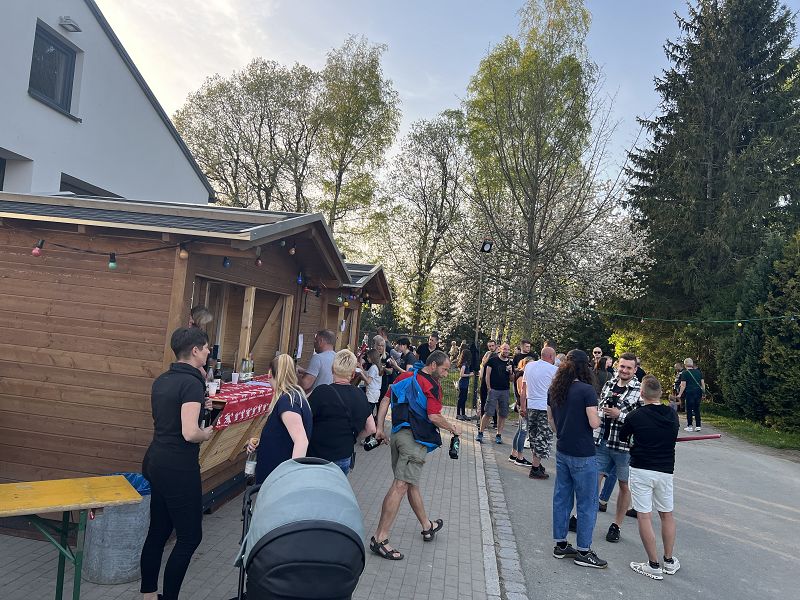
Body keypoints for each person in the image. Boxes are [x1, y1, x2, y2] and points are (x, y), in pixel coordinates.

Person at [140, 327, 215, 600]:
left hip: (155, 460)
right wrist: (205, 433)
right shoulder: (191, 384)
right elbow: (189, 432)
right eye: (205, 347)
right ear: (195, 350)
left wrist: (200, 403)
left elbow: (170, 417)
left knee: (158, 531)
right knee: (190, 537)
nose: (209, 351)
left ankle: (149, 595)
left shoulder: (162, 380)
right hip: (178, 466)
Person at [370, 351, 459, 560]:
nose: (446, 374)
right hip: (414, 441)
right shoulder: (431, 386)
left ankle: (427, 526)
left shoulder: (405, 376)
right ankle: (380, 538)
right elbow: (434, 416)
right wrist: (453, 428)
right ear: (433, 365)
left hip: (397, 436)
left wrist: (380, 428)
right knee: (400, 485)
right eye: (444, 369)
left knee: (410, 483)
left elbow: (385, 400)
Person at [548, 349, 606, 568]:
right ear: (585, 367)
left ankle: (561, 544)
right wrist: (601, 416)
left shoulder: (555, 388)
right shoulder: (586, 390)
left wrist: (562, 432)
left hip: (563, 449)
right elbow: (593, 422)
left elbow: (551, 420)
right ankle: (584, 550)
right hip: (583, 452)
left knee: (562, 498)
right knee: (587, 502)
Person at [620, 375, 680, 580]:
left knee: (644, 515)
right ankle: (669, 561)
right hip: (665, 470)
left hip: (641, 469)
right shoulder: (672, 415)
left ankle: (654, 564)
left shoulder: (635, 416)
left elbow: (623, 437)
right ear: (660, 393)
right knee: (667, 514)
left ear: (642, 394)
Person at [594, 352, 643, 544]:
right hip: (602, 441)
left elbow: (641, 420)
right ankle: (585, 516)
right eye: (622, 366)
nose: (624, 370)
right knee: (594, 480)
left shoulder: (639, 390)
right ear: (617, 366)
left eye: (629, 368)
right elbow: (599, 406)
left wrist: (619, 415)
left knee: (624, 485)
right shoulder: (609, 384)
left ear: (635, 370)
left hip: (624, 447)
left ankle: (616, 525)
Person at [307, 350, 376, 475]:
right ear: (353, 374)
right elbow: (371, 428)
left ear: (332, 369)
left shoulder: (321, 392)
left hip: (317, 456)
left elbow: (303, 420)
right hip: (344, 457)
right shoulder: (360, 395)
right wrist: (353, 437)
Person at [251, 354, 312, 484]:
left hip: (279, 480)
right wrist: (261, 443)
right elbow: (283, 436)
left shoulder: (288, 401)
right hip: (275, 477)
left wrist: (291, 477)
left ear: (270, 374)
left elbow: (301, 440)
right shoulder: (294, 397)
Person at [520, 346, 558, 478]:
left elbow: (523, 388)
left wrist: (523, 406)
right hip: (544, 407)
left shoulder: (529, 366)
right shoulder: (554, 370)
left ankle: (536, 463)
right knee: (543, 437)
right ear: (551, 357)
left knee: (533, 435)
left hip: (531, 404)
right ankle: (535, 468)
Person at [476, 342, 513, 444]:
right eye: (504, 349)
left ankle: (498, 434)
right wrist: (489, 388)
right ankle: (480, 432)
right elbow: (487, 375)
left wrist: (511, 371)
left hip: (505, 390)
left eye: (508, 349)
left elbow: (512, 379)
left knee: (503, 414)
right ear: (500, 349)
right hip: (494, 390)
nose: (506, 351)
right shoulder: (493, 360)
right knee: (488, 412)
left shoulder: (510, 363)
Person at [510, 356, 535, 466]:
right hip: (523, 405)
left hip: (523, 404)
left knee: (520, 430)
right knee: (523, 431)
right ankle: (520, 457)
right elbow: (521, 392)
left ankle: (514, 453)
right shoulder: (521, 375)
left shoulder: (524, 374)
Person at [678, 357, 705, 431]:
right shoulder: (698, 372)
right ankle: (698, 426)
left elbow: (683, 385)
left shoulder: (685, 373)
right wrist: (703, 393)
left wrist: (680, 394)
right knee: (697, 409)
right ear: (692, 364)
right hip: (698, 392)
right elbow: (702, 384)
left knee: (689, 409)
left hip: (689, 392)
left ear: (685, 365)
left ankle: (689, 426)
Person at [512, 339, 537, 410]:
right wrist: (520, 369)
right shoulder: (517, 356)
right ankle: (518, 404)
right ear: (522, 347)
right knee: (519, 393)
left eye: (529, 346)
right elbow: (514, 368)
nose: (529, 348)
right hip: (520, 376)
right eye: (527, 346)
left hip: (531, 378)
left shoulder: (533, 355)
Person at [478, 339, 498, 421]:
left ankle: (495, 420)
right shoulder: (487, 354)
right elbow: (483, 364)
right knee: (483, 400)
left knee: (494, 401)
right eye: (489, 346)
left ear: (496, 346)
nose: (491, 347)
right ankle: (482, 420)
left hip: (494, 381)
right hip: (484, 380)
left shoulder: (498, 355)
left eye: (492, 346)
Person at [456, 348, 474, 421]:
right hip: (462, 384)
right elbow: (461, 374)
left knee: (464, 399)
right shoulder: (464, 365)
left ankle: (463, 414)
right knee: (461, 399)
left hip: (465, 384)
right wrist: (470, 374)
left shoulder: (466, 364)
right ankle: (458, 414)